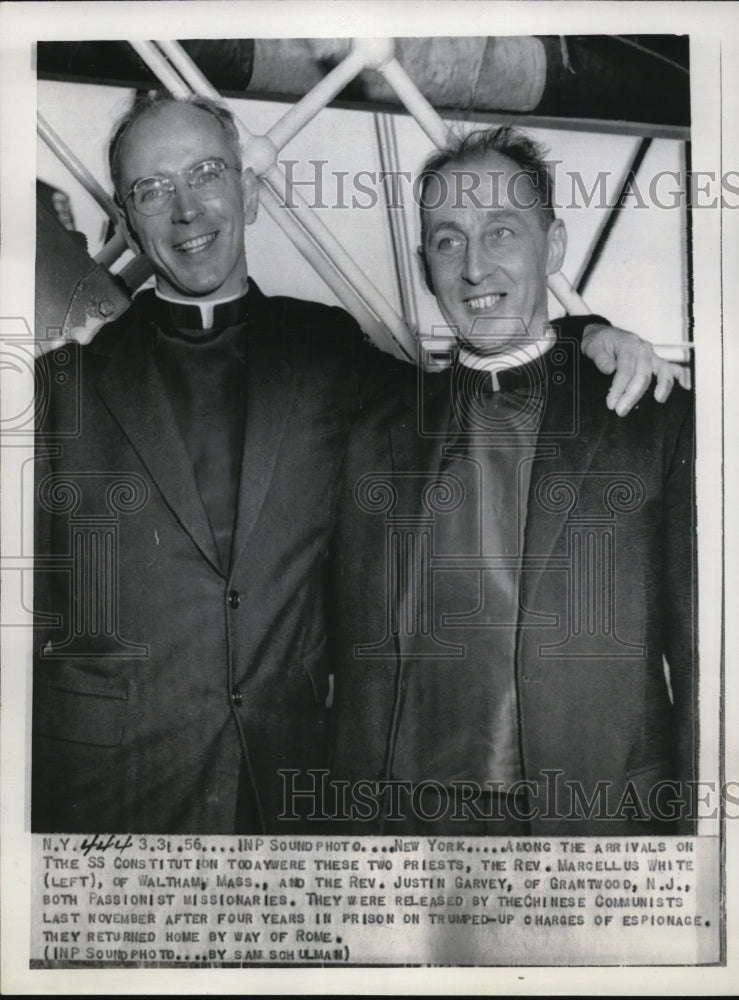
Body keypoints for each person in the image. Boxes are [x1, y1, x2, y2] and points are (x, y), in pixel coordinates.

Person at [32, 95, 683, 835]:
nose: (185, 209)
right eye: (151, 189)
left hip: (294, 787)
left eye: (208, 173)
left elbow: (487, 365)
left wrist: (589, 334)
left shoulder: (330, 352)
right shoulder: (59, 391)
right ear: (123, 217)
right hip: (111, 790)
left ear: (249, 190)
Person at [328, 127, 696, 837]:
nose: (472, 268)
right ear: (423, 264)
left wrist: (696, 855)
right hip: (403, 827)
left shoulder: (652, 415)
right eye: (447, 241)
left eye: (501, 231)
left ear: (552, 246)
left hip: (592, 820)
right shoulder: (371, 431)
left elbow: (705, 660)